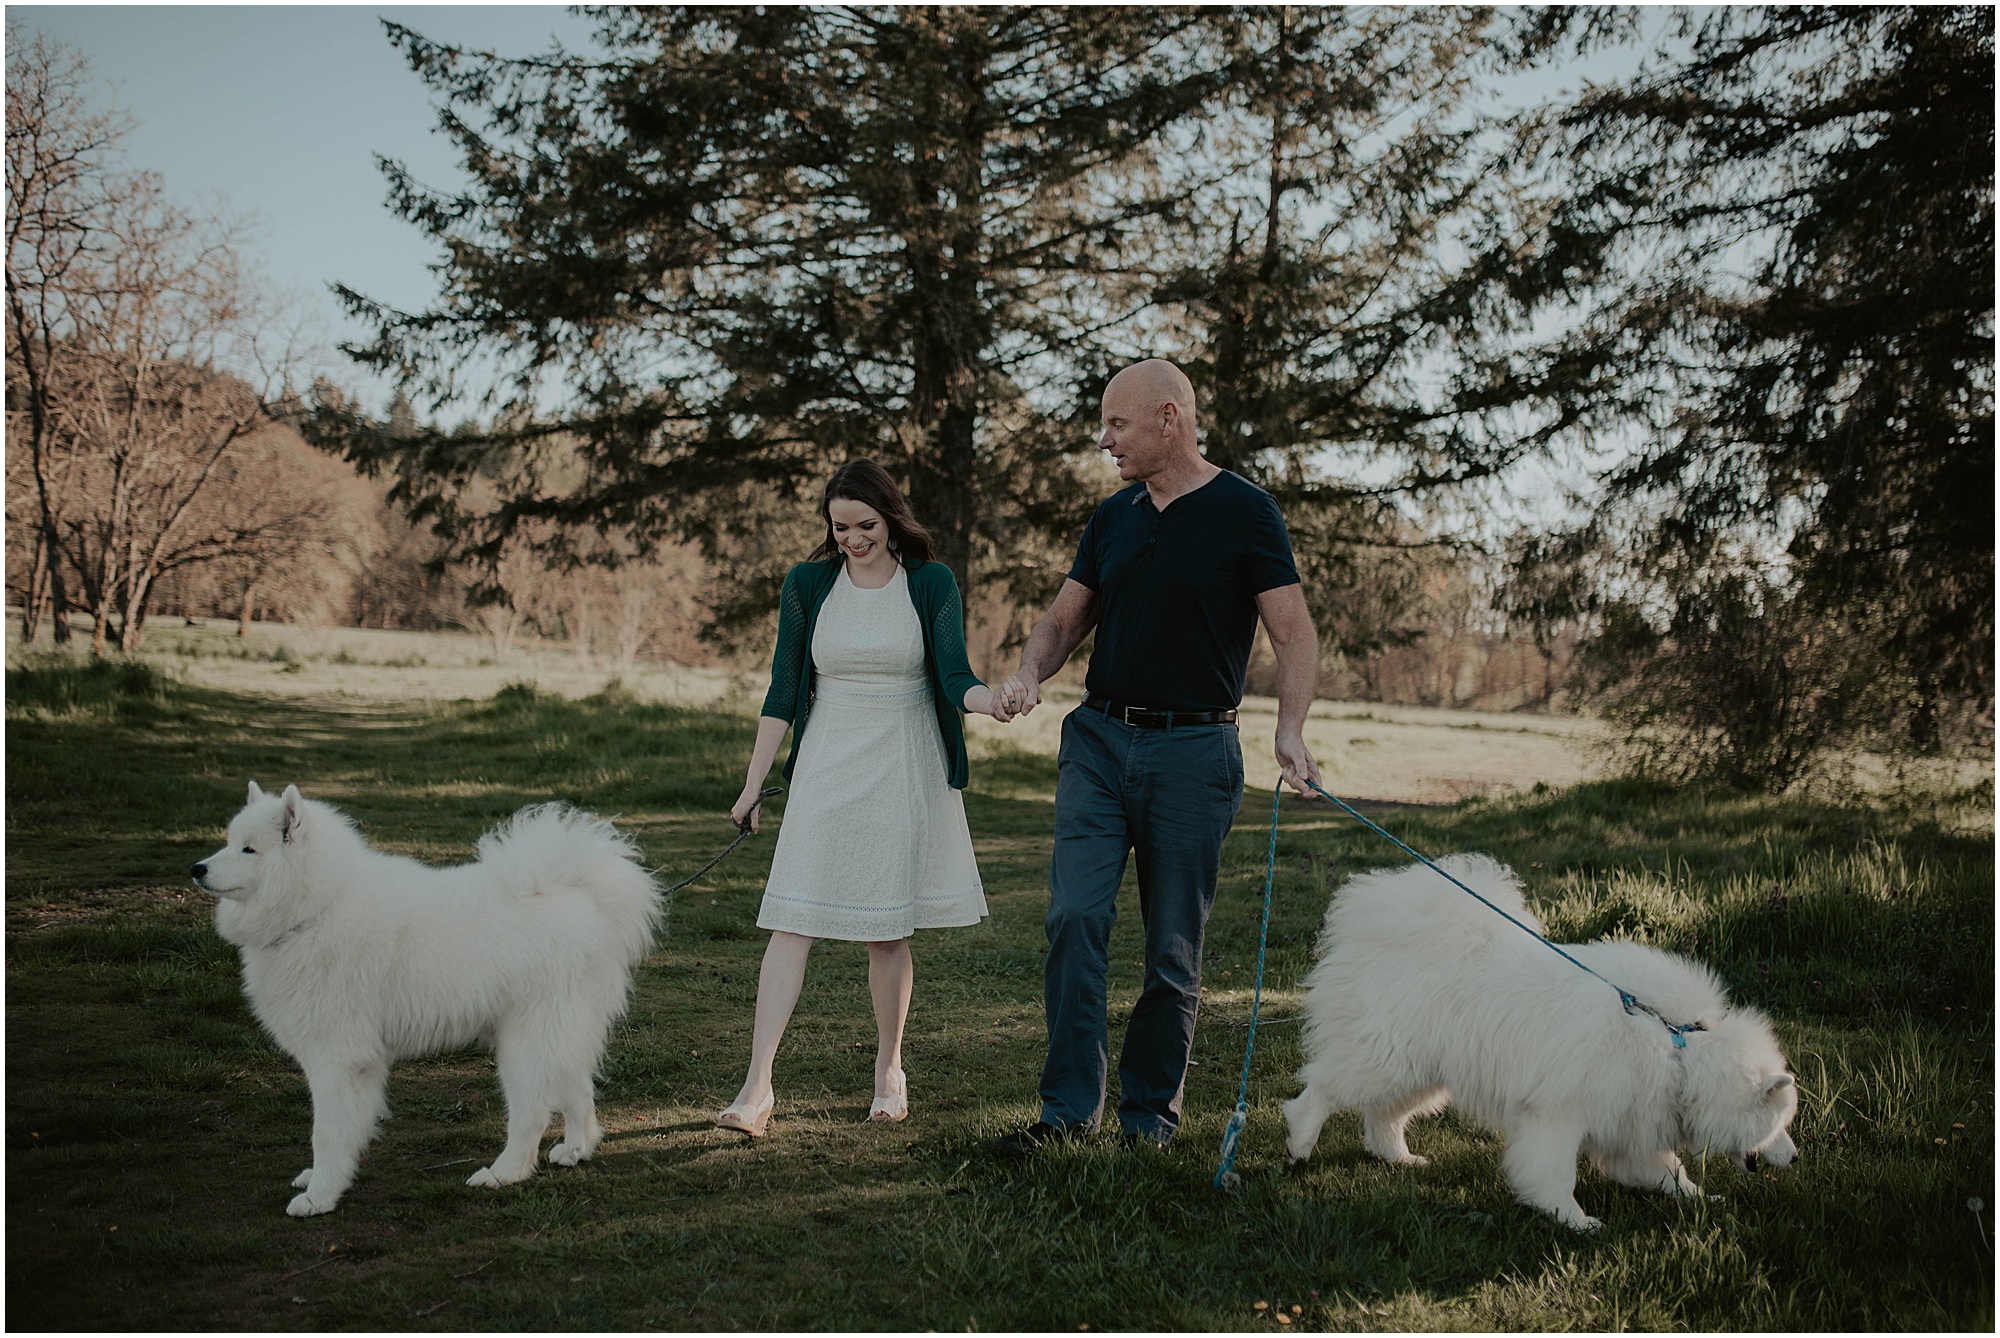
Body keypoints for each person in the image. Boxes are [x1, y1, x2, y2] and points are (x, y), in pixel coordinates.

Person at [989, 358, 1323, 1155]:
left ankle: (1148, 1123)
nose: (1105, 441)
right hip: (1099, 742)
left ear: (1170, 419)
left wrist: (1290, 730)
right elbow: (1065, 621)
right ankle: (1068, 1115)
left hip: (1195, 751)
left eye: (1117, 425)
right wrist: (1030, 671)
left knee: (1173, 947)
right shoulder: (1113, 519)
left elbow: (1295, 634)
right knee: (1074, 915)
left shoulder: (1247, 513)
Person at [717, 459, 1013, 1137]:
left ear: (891, 518)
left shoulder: (930, 583)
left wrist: (990, 703)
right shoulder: (808, 584)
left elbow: (954, 674)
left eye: (866, 525)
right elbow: (782, 691)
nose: (853, 539)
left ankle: (889, 1070)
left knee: (886, 931)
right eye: (840, 527)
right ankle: (757, 1086)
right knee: (791, 918)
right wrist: (752, 782)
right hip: (825, 764)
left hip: (902, 764)